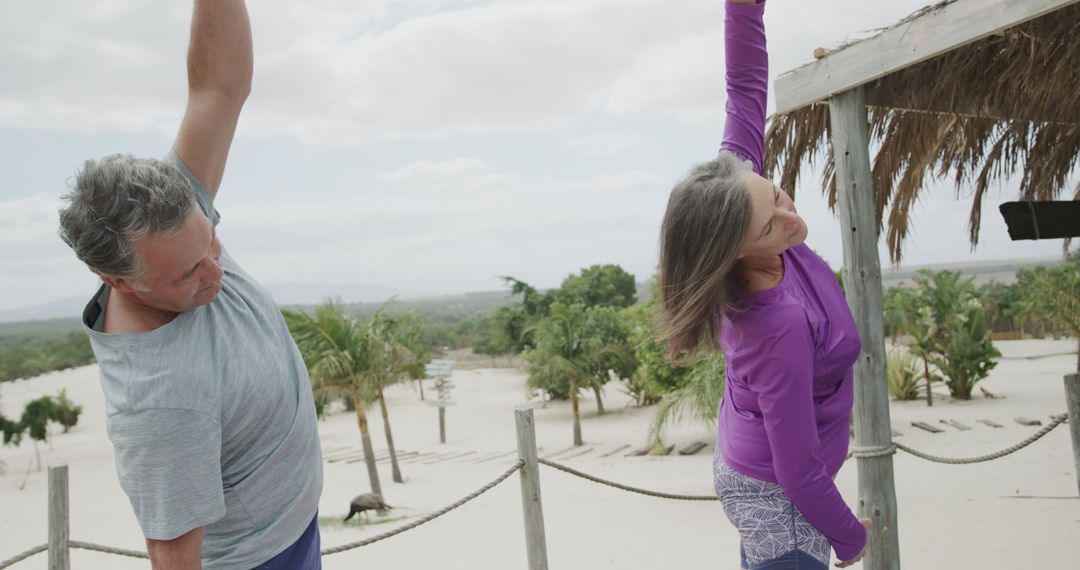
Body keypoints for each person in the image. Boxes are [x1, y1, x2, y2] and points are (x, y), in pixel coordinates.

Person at [57, 2, 323, 568]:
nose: (216, 273)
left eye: (211, 241)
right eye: (188, 272)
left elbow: (219, 88)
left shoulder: (173, 217)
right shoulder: (160, 404)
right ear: (117, 281)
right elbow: (172, 557)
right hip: (260, 558)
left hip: (292, 519)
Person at [657, 1, 871, 569]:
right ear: (733, 251)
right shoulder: (773, 324)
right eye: (771, 225)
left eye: (777, 194)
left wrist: (743, 8)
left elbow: (745, 85)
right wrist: (851, 537)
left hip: (756, 461)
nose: (792, 219)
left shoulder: (735, 186)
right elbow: (796, 470)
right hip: (779, 497)